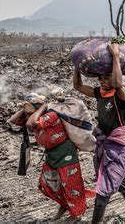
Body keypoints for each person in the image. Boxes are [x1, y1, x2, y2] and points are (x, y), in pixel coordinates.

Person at [73, 43, 125, 223]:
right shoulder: (100, 93)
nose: (102, 80)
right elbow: (77, 85)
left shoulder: (122, 95)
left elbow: (118, 84)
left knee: (104, 189)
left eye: (106, 77)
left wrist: (116, 56)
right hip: (105, 143)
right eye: (100, 77)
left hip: (120, 146)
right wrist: (76, 65)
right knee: (118, 177)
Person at [23, 93, 87, 221]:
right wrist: (25, 108)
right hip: (52, 154)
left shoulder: (50, 115)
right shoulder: (33, 115)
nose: (26, 113)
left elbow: (31, 123)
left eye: (28, 108)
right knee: (47, 183)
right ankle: (64, 205)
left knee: (71, 184)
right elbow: (13, 120)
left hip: (65, 153)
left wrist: (43, 106)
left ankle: (76, 214)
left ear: (37, 107)